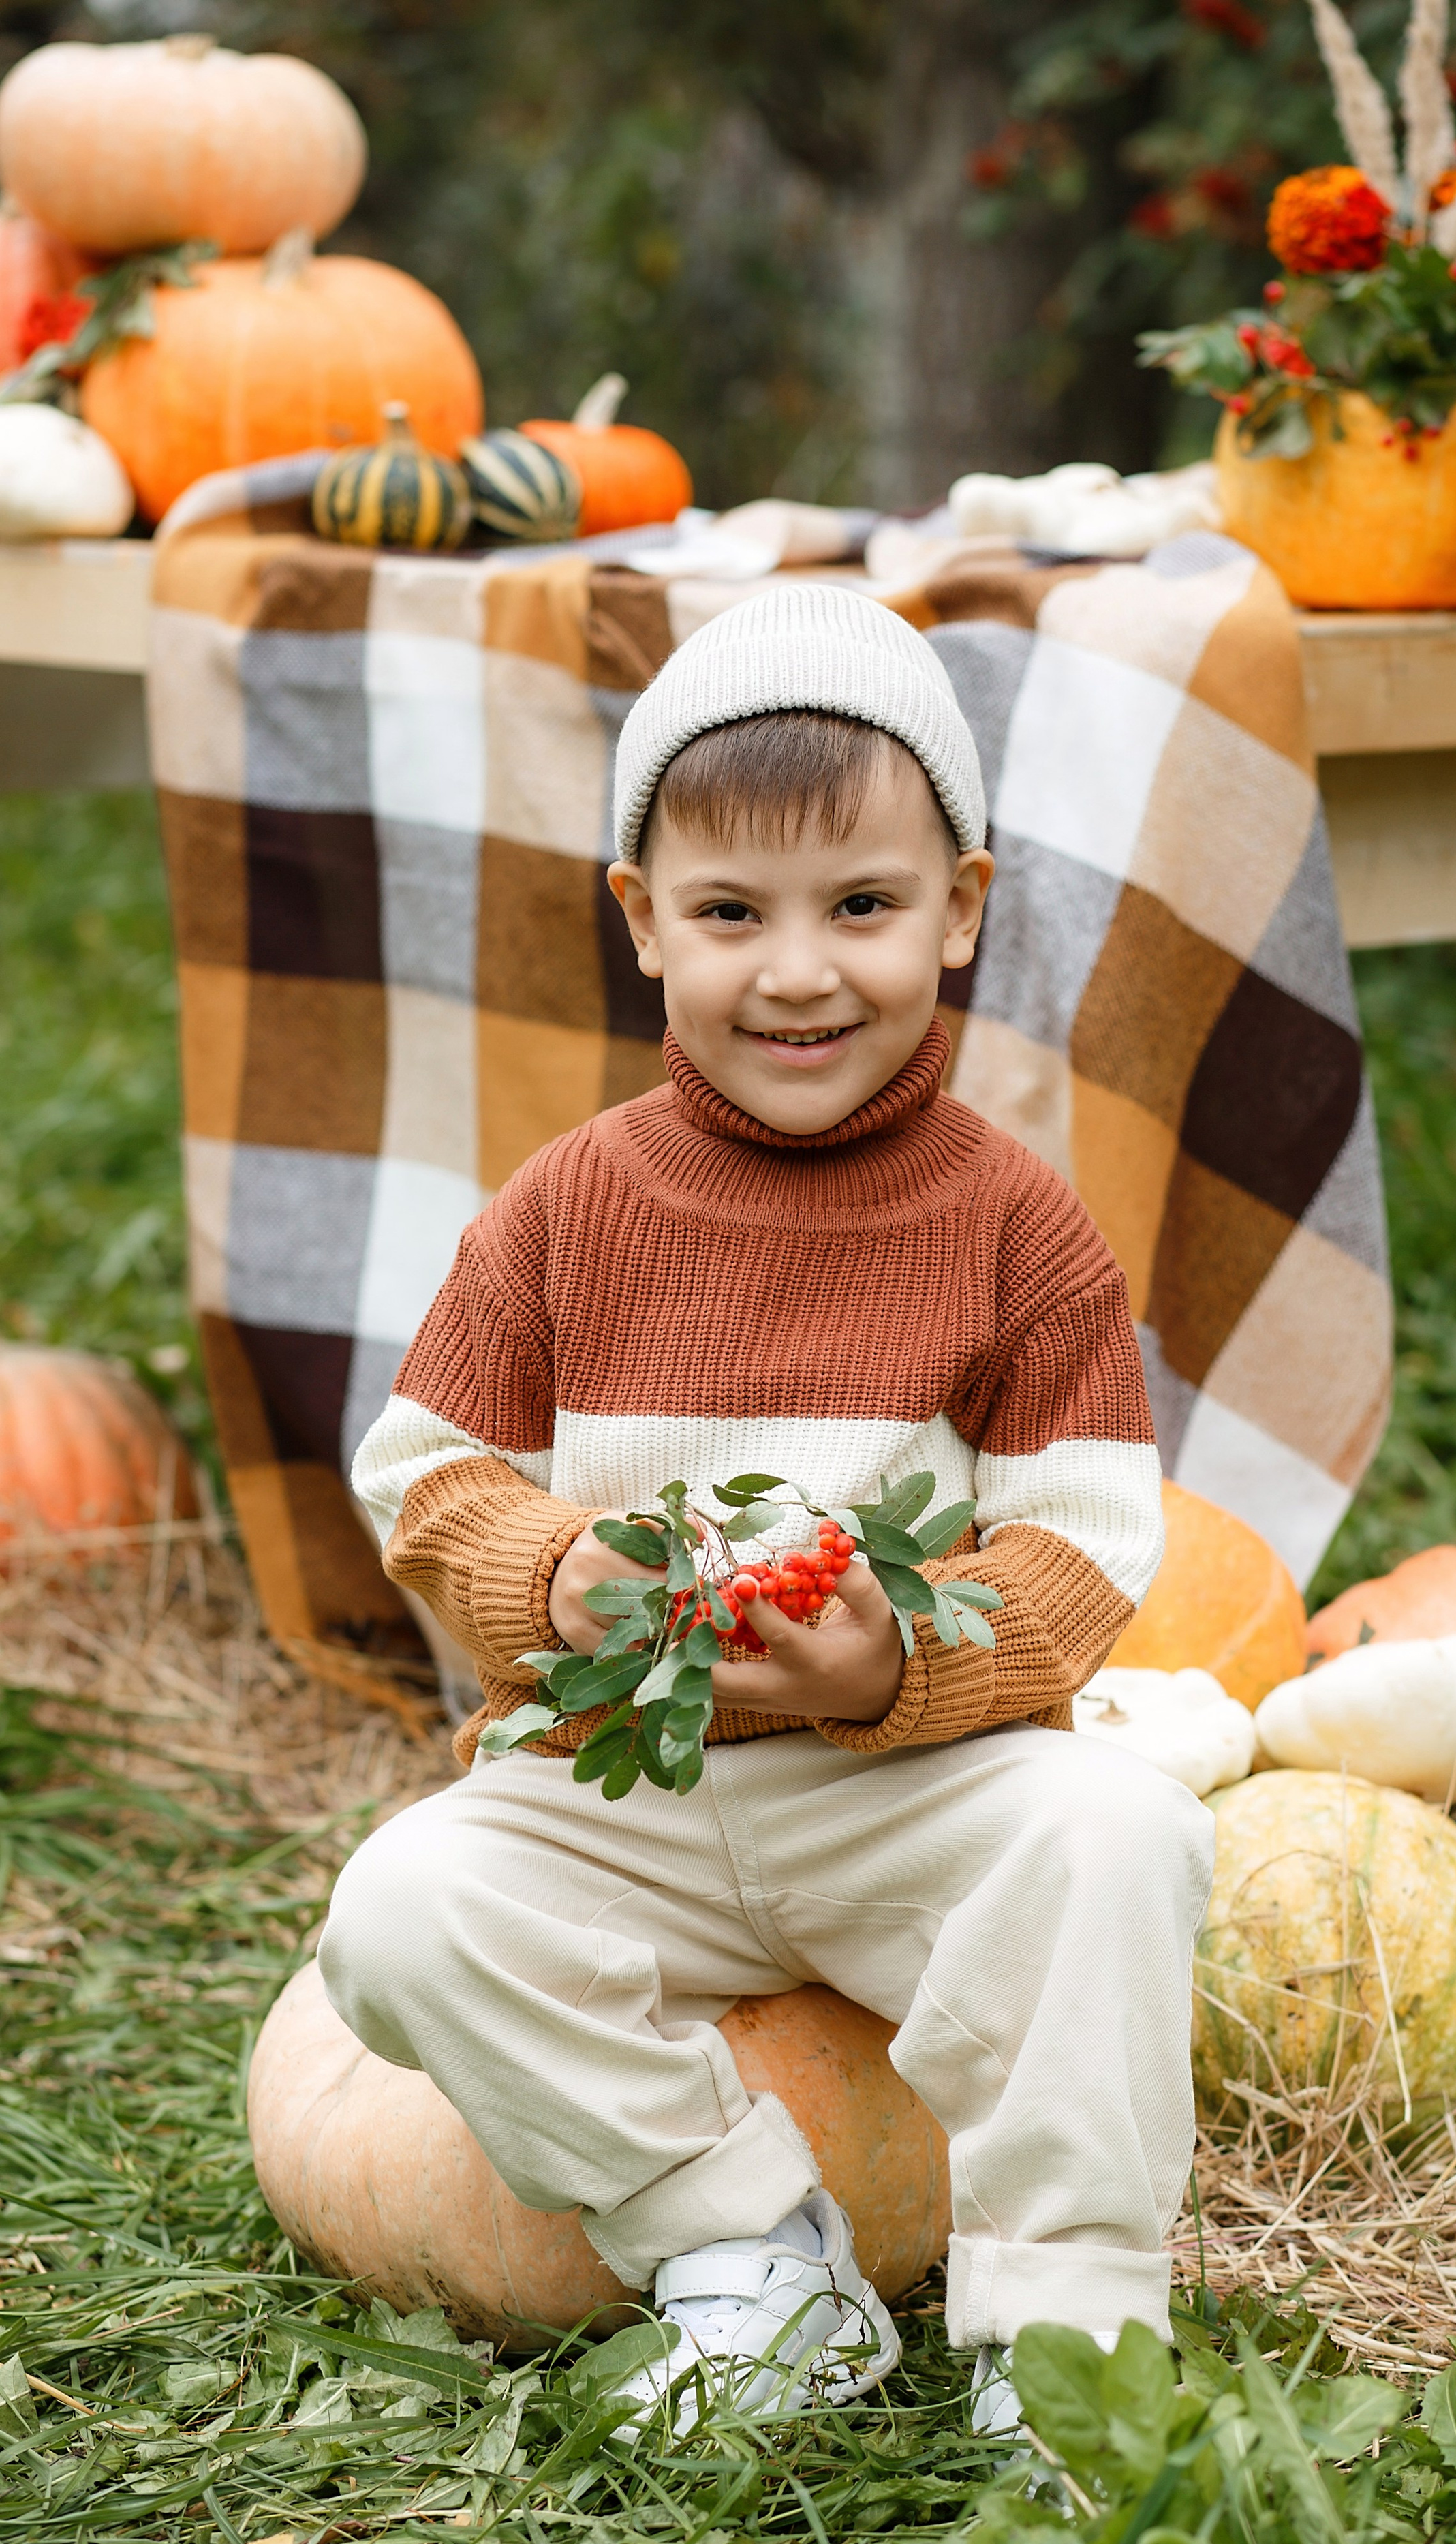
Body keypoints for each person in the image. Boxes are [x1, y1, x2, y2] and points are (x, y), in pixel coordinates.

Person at [319, 583, 1214, 2438]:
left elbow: (1081, 1544)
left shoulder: (1011, 1223)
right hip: (623, 1783)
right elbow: (422, 1476)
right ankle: (745, 2251)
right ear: (645, 922)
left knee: (1119, 1836)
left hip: (905, 1787)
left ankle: (1073, 2345)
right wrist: (557, 1576)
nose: (799, 972)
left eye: (864, 908)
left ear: (960, 908)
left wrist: (900, 1646)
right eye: (732, 913)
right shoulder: (566, 1210)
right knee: (402, 1911)